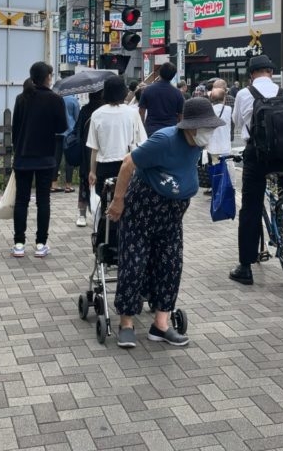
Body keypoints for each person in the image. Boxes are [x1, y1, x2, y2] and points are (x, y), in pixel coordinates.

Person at [106, 98, 226, 348]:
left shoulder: (197, 144)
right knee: (134, 262)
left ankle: (161, 324)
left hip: (173, 212)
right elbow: (128, 162)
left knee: (171, 264)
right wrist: (118, 201)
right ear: (191, 127)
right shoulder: (165, 139)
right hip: (144, 206)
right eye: (206, 128)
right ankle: (126, 323)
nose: (210, 132)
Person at [229, 55, 283, 286]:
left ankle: (245, 267)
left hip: (257, 157)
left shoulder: (245, 94)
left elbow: (238, 123)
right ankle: (282, 215)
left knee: (251, 209)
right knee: (282, 196)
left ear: (251, 74)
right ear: (270, 71)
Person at [10, 61, 67, 258]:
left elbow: (15, 129)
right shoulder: (55, 99)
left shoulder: (21, 98)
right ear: (48, 76)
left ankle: (19, 243)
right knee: (44, 201)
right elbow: (61, 128)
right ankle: (41, 244)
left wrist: (17, 150)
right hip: (46, 158)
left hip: (23, 157)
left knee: (21, 201)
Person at [87, 75, 147, 206]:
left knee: (104, 205)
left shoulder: (97, 114)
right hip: (126, 164)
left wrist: (92, 171)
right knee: (125, 203)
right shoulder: (132, 113)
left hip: (103, 166)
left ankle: (104, 226)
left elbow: (94, 148)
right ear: (123, 92)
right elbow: (140, 142)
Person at [72, 89, 104, 226]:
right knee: (103, 182)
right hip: (103, 151)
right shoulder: (104, 110)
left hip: (87, 151)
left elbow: (77, 130)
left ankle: (82, 215)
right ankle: (101, 213)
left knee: (85, 181)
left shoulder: (85, 110)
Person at [138, 62, 185, 137]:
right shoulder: (178, 93)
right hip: (171, 131)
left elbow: (141, 112)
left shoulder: (148, 90)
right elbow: (181, 116)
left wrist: (143, 128)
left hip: (151, 130)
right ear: (173, 76)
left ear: (160, 72)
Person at [204, 87, 234, 192]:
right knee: (227, 167)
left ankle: (216, 188)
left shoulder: (208, 110)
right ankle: (227, 186)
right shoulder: (229, 109)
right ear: (224, 98)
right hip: (225, 145)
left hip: (212, 146)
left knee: (215, 166)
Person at [54, 93, 80, 193]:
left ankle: (53, 184)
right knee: (69, 158)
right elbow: (77, 117)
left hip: (57, 132)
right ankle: (68, 185)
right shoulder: (73, 100)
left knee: (56, 158)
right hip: (69, 133)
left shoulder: (56, 98)